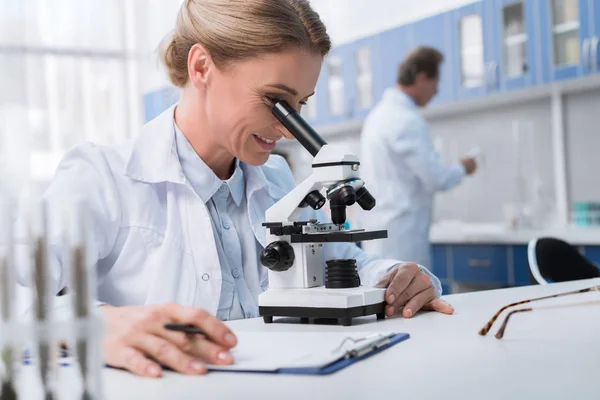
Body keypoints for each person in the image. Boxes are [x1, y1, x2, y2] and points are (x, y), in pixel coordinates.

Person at [16, 1, 453, 379]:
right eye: (276, 100)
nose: (288, 127)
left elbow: (348, 264)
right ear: (201, 67)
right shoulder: (104, 178)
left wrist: (395, 278)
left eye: (300, 105)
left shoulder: (278, 181)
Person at [358, 46, 477, 269]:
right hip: (401, 236)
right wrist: (462, 168)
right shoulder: (406, 120)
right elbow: (436, 178)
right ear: (421, 78)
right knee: (407, 298)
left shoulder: (377, 116)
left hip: (381, 230)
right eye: (435, 83)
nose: (437, 91)